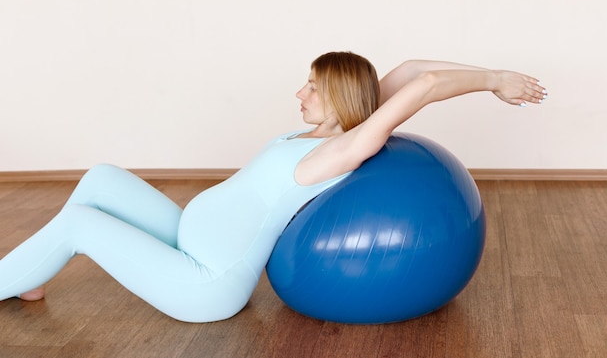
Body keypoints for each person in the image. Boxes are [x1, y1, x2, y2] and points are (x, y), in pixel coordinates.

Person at [0, 52, 547, 322]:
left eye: (312, 85)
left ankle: (15, 273)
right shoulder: (328, 128)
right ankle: (32, 274)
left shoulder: (338, 151)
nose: (299, 92)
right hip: (186, 240)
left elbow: (424, 86)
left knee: (81, 224)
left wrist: (495, 81)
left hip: (203, 284)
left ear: (338, 98)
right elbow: (410, 68)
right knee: (100, 178)